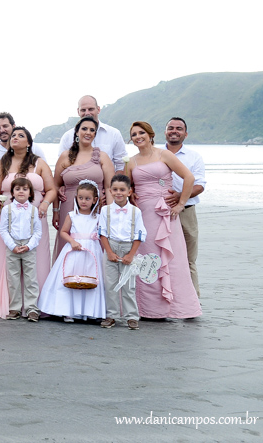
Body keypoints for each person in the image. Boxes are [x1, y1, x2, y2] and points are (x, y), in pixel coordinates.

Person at [124, 121, 201, 319]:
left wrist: (181, 203)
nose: (138, 136)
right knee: (147, 259)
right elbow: (125, 186)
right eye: (134, 134)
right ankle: (150, 310)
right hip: (143, 216)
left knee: (173, 261)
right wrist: (131, 193)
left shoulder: (163, 154)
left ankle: (180, 308)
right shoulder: (131, 162)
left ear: (150, 135)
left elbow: (189, 177)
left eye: (141, 132)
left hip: (165, 215)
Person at [0, 126, 57, 317]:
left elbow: (51, 189)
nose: (15, 137)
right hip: (8, 220)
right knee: (9, 263)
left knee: (36, 260)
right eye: (13, 136)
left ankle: (36, 306)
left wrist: (45, 205)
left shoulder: (39, 163)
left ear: (28, 142)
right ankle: (12, 306)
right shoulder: (2, 163)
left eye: (20, 135)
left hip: (35, 218)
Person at [38, 180, 107, 322]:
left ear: (95, 200)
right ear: (76, 198)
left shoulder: (99, 217)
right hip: (73, 251)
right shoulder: (72, 215)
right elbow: (63, 231)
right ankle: (68, 310)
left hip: (91, 251)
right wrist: (72, 242)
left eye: (87, 198)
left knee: (90, 279)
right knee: (71, 277)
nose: (83, 201)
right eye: (80, 198)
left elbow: (103, 235)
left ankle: (88, 311)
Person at [52, 116, 115, 258]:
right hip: (69, 209)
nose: (88, 132)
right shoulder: (65, 156)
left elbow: (109, 188)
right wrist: (56, 211)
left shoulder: (102, 157)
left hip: (95, 210)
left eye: (92, 130)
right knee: (68, 247)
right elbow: (56, 185)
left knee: (95, 247)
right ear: (77, 132)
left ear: (95, 134)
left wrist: (109, 214)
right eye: (84, 129)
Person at [163, 117, 207, 295]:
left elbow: (200, 185)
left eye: (179, 129)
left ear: (185, 134)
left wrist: (181, 197)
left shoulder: (194, 157)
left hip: (187, 212)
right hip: (161, 213)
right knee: (162, 257)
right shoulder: (155, 154)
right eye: (171, 128)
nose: (174, 131)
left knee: (189, 258)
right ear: (165, 131)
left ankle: (193, 299)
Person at [98, 174, 147, 330]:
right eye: (115, 189)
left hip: (128, 247)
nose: (118, 192)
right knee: (110, 284)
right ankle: (112, 315)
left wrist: (131, 254)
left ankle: (131, 316)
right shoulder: (105, 210)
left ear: (129, 191)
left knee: (128, 285)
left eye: (122, 189)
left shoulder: (135, 211)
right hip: (111, 247)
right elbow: (102, 233)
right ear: (110, 191)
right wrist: (110, 252)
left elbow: (140, 234)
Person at [0, 178, 42, 321]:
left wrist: (29, 245)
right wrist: (13, 246)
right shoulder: (6, 209)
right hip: (13, 247)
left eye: (24, 189)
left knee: (31, 278)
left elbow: (37, 232)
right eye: (17, 189)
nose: (21, 191)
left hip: (29, 246)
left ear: (30, 193)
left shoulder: (34, 210)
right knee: (13, 278)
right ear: (12, 192)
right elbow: (3, 230)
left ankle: (32, 308)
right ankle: (15, 308)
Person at [57, 95, 127, 171]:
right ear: (78, 112)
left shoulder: (114, 134)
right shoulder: (67, 137)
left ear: (98, 109)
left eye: (91, 109)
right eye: (83, 110)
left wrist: (114, 182)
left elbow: (121, 165)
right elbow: (61, 167)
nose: (87, 113)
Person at [0, 112, 47, 185]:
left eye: (5, 126)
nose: (2, 130)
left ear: (13, 126)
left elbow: (45, 175)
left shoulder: (34, 148)